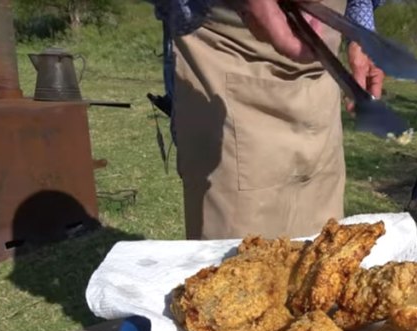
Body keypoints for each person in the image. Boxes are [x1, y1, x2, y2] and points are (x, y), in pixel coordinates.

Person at [149, 0, 386, 240]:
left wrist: (359, 27)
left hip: (320, 92)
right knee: (235, 266)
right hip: (229, 64)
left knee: (324, 258)